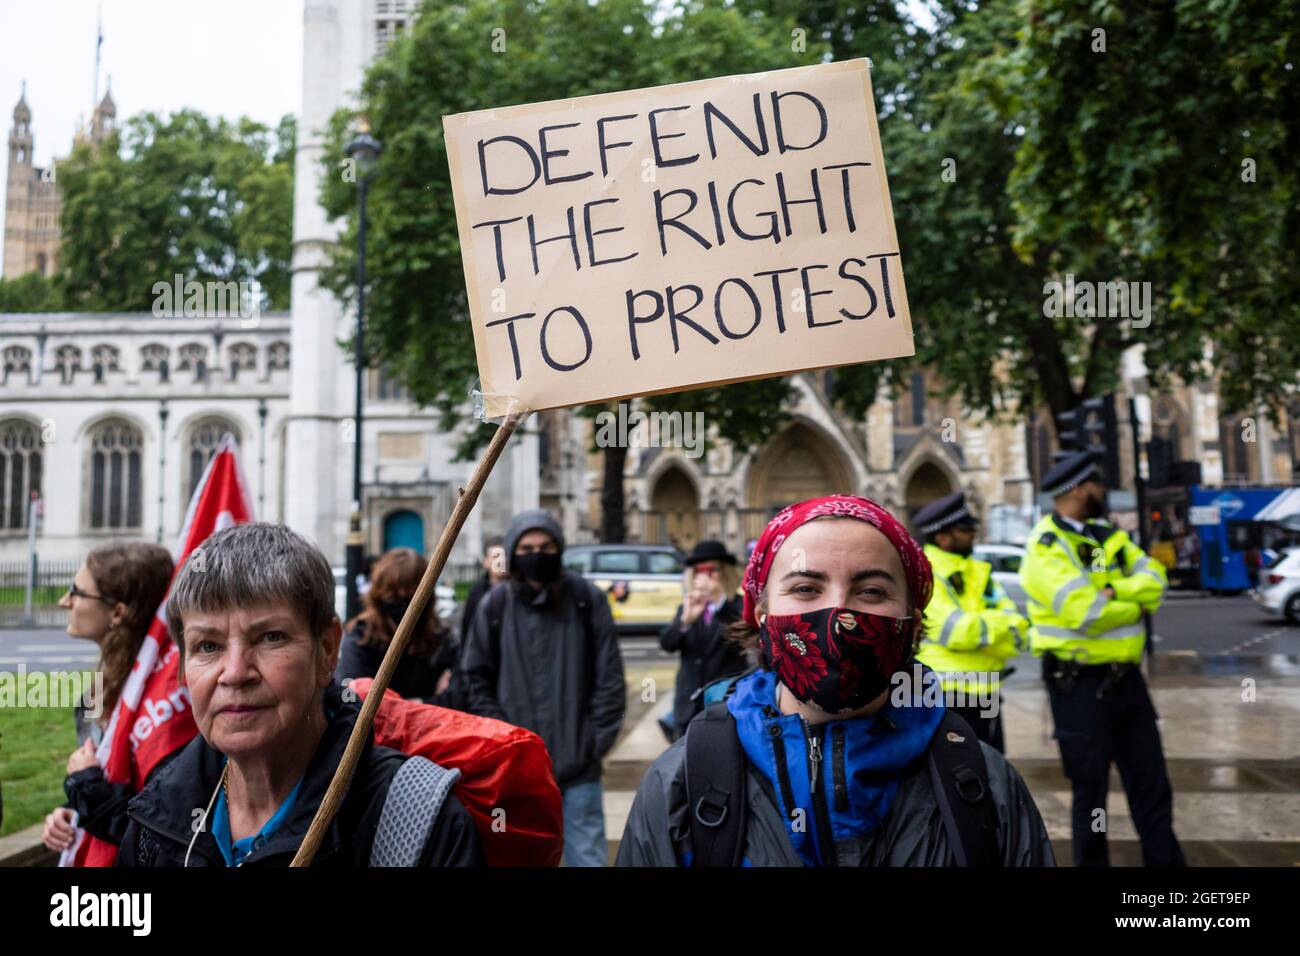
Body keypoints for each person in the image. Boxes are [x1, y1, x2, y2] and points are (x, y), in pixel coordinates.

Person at [617, 494, 1054, 867]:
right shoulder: (680, 784)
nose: (840, 616)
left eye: (872, 592)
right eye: (806, 588)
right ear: (762, 614)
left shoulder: (986, 783)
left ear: (912, 621)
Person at [116, 523, 483, 867]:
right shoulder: (157, 819)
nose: (235, 673)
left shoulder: (419, 822)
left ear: (327, 650)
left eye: (270, 637)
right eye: (207, 646)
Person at [1019, 451, 1184, 867]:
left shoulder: (1105, 536)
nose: (1104, 490)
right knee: (1090, 797)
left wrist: (1113, 592)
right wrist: (1131, 600)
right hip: (1079, 686)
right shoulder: (1046, 546)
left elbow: (1154, 579)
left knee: (1152, 785)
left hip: (1127, 681)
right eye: (1097, 484)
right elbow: (1085, 613)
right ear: (1078, 489)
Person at [460, 509, 625, 867]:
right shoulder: (496, 605)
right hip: (517, 771)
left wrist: (593, 742)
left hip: (578, 765)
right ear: (514, 552)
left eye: (546, 546)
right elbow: (475, 678)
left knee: (588, 857)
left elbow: (609, 677)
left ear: (559, 548)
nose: (537, 554)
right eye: (528, 547)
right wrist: (502, 742)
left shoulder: (586, 599)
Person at [42, 542, 180, 857]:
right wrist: (71, 811)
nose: (65, 601)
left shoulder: (167, 709)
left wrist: (86, 787)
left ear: (117, 612)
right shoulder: (100, 692)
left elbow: (157, 834)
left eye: (76, 592)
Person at [912, 493, 1027, 751]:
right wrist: (999, 626)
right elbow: (958, 632)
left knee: (993, 773)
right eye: (965, 530)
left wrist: (984, 629)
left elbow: (1020, 629)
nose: (973, 533)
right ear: (943, 537)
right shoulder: (927, 574)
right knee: (953, 775)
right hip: (944, 697)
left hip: (986, 693)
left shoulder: (979, 571)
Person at [336, 547, 458, 704]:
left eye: (409, 595)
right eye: (393, 595)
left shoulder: (440, 638)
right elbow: (352, 698)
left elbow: (457, 697)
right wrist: (421, 703)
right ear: (379, 594)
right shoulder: (361, 637)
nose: (401, 601)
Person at [658, 540, 747, 740]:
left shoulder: (737, 605)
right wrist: (685, 622)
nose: (704, 576)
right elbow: (666, 644)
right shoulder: (688, 607)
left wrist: (718, 600)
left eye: (711, 570)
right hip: (688, 703)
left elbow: (744, 633)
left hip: (725, 702)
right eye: (699, 570)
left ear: (725, 572)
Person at [459, 535, 508, 647]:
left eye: (504, 556)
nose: (501, 561)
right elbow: (467, 631)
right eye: (496, 557)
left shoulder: (520, 590)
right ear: (486, 562)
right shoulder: (477, 593)